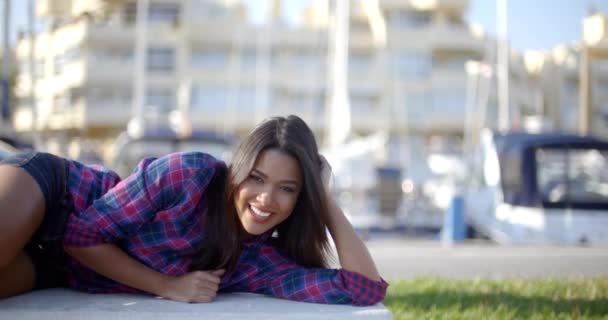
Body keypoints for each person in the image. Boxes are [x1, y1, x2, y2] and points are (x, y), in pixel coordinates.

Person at [0, 115, 387, 305]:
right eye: (256, 178)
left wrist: (323, 198)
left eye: (288, 189)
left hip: (58, 269)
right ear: (238, 170)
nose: (266, 199)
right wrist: (167, 286)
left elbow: (364, 288)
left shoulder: (258, 263)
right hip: (57, 196)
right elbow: (81, 235)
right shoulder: (191, 175)